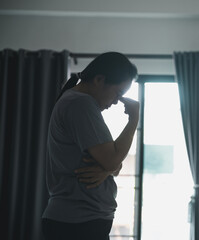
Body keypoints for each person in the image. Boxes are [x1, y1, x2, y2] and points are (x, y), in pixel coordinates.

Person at [41, 52, 139, 240]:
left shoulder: (76, 101)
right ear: (99, 79)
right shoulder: (81, 104)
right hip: (78, 224)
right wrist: (134, 119)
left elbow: (113, 164)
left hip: (79, 221)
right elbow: (112, 160)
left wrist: (108, 169)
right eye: (117, 93)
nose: (116, 101)